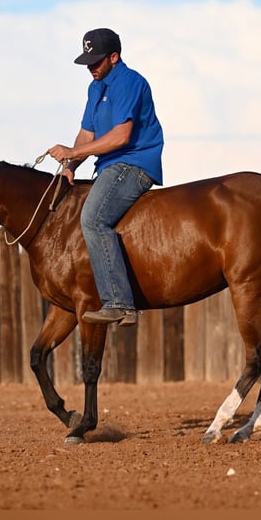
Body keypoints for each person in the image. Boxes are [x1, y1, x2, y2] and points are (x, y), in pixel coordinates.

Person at [49, 28, 164, 327]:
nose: (91, 67)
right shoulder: (95, 88)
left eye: (96, 61)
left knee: (93, 219)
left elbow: (121, 136)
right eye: (87, 62)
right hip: (108, 165)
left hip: (134, 162)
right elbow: (88, 133)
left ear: (114, 57)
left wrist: (73, 152)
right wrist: (70, 165)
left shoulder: (129, 81)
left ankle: (120, 303)